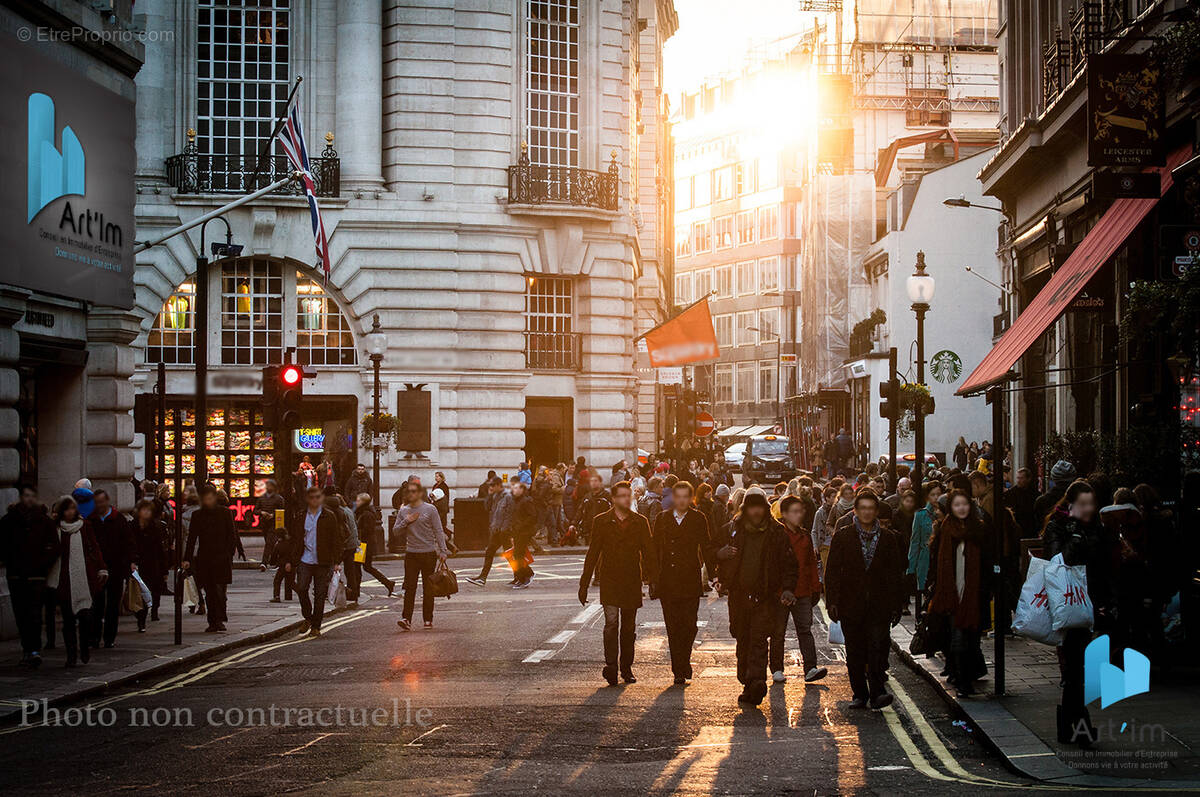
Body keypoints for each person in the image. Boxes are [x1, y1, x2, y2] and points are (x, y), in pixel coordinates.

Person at [1041, 480, 1113, 746]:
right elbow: (1059, 564)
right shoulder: (1057, 526)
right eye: (1083, 504)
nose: (1088, 509)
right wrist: (1075, 536)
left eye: (1091, 503)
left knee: (1078, 671)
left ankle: (1068, 728)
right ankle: (1079, 729)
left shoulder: (1097, 527)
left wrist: (1105, 601)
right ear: (1069, 504)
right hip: (1069, 605)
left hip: (1093, 604)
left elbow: (1102, 566)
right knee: (1075, 670)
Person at [825, 489, 904, 709]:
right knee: (855, 651)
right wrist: (832, 600)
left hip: (879, 604)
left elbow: (894, 573)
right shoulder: (844, 535)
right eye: (863, 508)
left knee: (878, 648)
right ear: (856, 511)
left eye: (871, 508)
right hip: (851, 604)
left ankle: (878, 692)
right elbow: (832, 570)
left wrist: (897, 605)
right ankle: (859, 693)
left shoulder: (888, 538)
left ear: (876, 511)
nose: (867, 512)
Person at [718, 491, 798, 706]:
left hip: (765, 597)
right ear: (745, 509)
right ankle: (747, 680)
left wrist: (788, 589)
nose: (756, 512)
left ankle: (757, 681)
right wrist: (720, 556)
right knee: (742, 637)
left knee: (759, 640)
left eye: (759, 507)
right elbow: (712, 551)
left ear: (765, 509)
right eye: (752, 507)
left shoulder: (776, 533)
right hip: (738, 596)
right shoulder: (732, 530)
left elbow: (789, 564)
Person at [579, 481, 657, 685]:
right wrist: (584, 583)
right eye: (621, 496)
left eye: (628, 496)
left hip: (631, 579)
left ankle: (627, 668)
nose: (625, 499)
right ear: (614, 499)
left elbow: (649, 553)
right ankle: (611, 666)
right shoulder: (601, 521)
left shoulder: (640, 522)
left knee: (628, 628)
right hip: (610, 579)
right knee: (611, 624)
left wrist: (654, 580)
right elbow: (593, 553)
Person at [651, 481, 716, 685]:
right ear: (673, 498)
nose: (681, 500)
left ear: (690, 499)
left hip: (689, 578)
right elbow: (654, 549)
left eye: (685, 497)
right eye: (677, 496)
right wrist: (652, 578)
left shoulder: (698, 518)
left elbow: (706, 546)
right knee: (673, 626)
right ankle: (678, 668)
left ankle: (684, 660)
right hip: (668, 580)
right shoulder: (662, 519)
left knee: (689, 625)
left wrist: (714, 574)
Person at [927, 489, 988, 696]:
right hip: (951, 594)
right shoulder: (945, 530)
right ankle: (962, 683)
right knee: (958, 638)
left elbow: (988, 562)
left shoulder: (979, 530)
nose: (961, 508)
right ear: (951, 509)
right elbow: (935, 562)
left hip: (974, 593)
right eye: (957, 505)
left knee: (972, 639)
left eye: (964, 504)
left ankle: (967, 676)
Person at [0, 486, 58, 667]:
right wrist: (8, 560)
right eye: (26, 496)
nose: (29, 499)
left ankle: (34, 650)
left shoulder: (44, 521)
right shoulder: (9, 520)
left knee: (34, 613)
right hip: (16, 575)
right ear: (20, 498)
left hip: (37, 576)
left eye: (32, 496)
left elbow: (54, 546)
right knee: (20, 614)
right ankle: (27, 648)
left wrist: (43, 564)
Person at [772, 496, 827, 684]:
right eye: (795, 511)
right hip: (781, 593)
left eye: (801, 511)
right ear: (785, 514)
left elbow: (811, 563)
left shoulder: (804, 536)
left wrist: (815, 588)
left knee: (805, 630)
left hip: (803, 591)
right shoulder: (777, 535)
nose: (799, 515)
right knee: (778, 632)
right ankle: (777, 669)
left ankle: (810, 668)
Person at [47, 496, 106, 667]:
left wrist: (101, 568)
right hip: (64, 580)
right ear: (61, 512)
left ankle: (84, 647)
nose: (70, 512)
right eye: (67, 509)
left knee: (85, 617)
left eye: (73, 508)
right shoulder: (56, 529)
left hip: (83, 578)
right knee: (68, 621)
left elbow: (94, 548)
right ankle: (71, 655)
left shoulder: (85, 526)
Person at [288, 486, 343, 637]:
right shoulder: (300, 516)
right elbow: (295, 539)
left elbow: (336, 540)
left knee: (319, 595)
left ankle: (316, 626)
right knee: (301, 589)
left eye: (317, 497)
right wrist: (290, 560)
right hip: (304, 559)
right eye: (311, 497)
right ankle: (308, 617)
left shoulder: (329, 516)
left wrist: (337, 561)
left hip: (323, 561)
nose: (314, 500)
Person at [184, 484, 239, 633]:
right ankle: (212, 621)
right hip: (205, 558)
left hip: (221, 558)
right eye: (205, 499)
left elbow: (231, 535)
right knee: (209, 592)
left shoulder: (225, 513)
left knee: (220, 592)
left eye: (210, 498)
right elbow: (192, 538)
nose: (208, 501)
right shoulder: (198, 515)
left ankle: (220, 619)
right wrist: (187, 558)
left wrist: (229, 553)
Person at [394, 482, 449, 629]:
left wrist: (443, 551)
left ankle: (428, 619)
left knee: (428, 588)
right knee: (410, 587)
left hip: (428, 553)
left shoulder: (430, 509)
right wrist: (407, 521)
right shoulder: (404, 511)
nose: (410, 494)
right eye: (408, 492)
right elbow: (396, 531)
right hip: (411, 554)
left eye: (413, 491)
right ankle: (406, 618)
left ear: (419, 494)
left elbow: (438, 530)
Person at [88, 490, 135, 649]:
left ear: (107, 501)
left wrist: (128, 563)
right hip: (97, 569)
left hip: (116, 568)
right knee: (97, 605)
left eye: (101, 502)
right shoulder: (91, 520)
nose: (99, 505)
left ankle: (109, 638)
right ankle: (94, 637)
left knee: (113, 606)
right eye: (97, 503)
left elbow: (128, 543)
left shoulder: (118, 519)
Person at [467, 477, 513, 586]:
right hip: (497, 530)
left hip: (504, 531)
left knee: (508, 554)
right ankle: (482, 578)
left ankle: (521, 575)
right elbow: (487, 508)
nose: (490, 487)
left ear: (498, 485)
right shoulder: (495, 496)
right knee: (492, 552)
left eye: (492, 486)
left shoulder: (508, 497)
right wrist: (489, 495)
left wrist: (504, 529)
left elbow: (510, 515)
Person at [907, 481, 943, 616]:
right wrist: (911, 566)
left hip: (940, 557)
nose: (936, 498)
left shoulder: (947, 514)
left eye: (939, 494)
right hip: (925, 557)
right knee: (923, 592)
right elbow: (915, 541)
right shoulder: (921, 515)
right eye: (933, 495)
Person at [131, 499, 168, 631]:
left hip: (153, 563)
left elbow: (160, 549)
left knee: (154, 590)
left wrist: (164, 570)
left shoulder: (155, 527)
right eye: (144, 510)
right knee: (140, 592)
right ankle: (141, 618)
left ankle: (154, 611)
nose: (146, 512)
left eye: (149, 510)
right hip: (139, 564)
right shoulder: (133, 526)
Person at [355, 493, 395, 596]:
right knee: (365, 567)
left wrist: (358, 533)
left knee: (359, 567)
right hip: (365, 544)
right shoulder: (364, 512)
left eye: (358, 500)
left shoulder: (366, 514)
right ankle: (388, 583)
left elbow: (366, 531)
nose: (356, 502)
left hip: (363, 545)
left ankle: (356, 591)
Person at [329, 495, 361, 606]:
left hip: (347, 544)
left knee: (334, 567)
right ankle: (353, 593)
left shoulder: (341, 512)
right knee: (350, 570)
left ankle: (335, 592)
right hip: (353, 543)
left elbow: (344, 530)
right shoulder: (348, 510)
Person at [508, 479, 538, 589]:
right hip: (517, 531)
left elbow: (532, 516)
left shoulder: (526, 501)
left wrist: (521, 526)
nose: (514, 490)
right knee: (517, 555)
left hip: (524, 532)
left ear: (522, 489)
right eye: (513, 488)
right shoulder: (517, 501)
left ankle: (525, 577)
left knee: (518, 555)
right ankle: (524, 576)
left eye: (516, 488)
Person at [569, 473, 610, 546]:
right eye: (591, 481)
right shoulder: (587, 497)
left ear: (600, 482)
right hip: (589, 529)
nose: (593, 483)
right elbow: (580, 511)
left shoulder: (607, 496)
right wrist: (573, 524)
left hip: (603, 529)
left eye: (595, 481)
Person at [255, 479, 287, 573]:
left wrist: (273, 515)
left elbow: (283, 511)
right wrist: (262, 512)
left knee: (269, 543)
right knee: (270, 543)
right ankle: (276, 562)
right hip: (264, 523)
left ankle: (264, 562)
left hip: (274, 523)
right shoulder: (261, 498)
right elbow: (255, 510)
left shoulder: (279, 498)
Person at [1005, 467, 1039, 539]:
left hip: (1030, 528)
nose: (1018, 481)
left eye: (1021, 478)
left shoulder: (1035, 494)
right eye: (1018, 478)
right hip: (1016, 529)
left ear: (1028, 479)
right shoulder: (1011, 494)